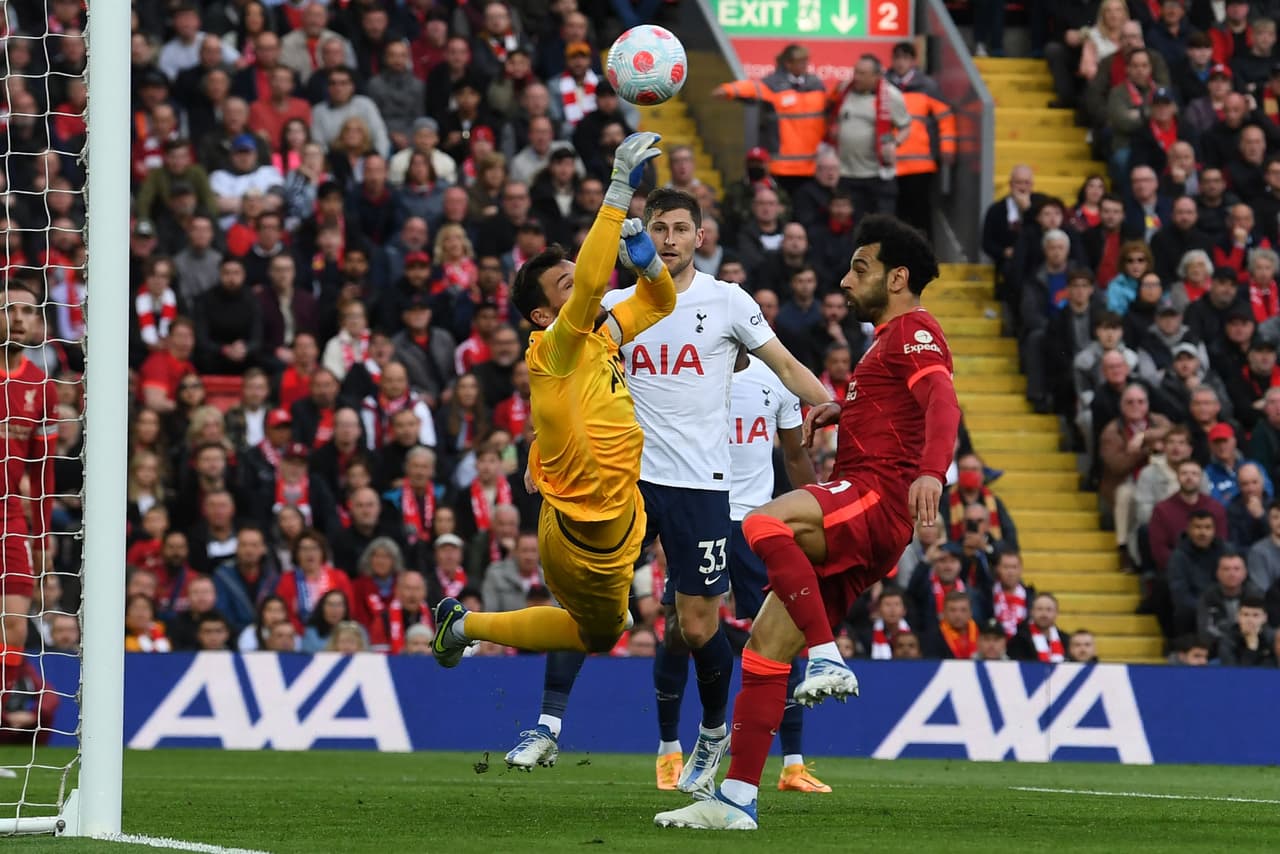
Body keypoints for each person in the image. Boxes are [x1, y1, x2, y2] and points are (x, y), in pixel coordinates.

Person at [502, 184, 830, 792]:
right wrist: (538, 450)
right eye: (660, 230)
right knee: (589, 605)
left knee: (698, 626)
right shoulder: (618, 306)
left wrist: (837, 403)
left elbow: (784, 365)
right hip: (624, 482)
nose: (671, 240)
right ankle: (547, 724)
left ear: (699, 236)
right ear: (644, 236)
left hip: (704, 485)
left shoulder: (728, 302)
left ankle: (710, 735)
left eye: (681, 229)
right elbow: (564, 385)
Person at [654, 214, 960, 830]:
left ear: (899, 278)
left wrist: (932, 471)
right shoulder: (886, 342)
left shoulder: (916, 331)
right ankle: (736, 799)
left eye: (861, 268)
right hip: (866, 507)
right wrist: (839, 413)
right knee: (765, 652)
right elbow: (894, 408)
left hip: (877, 497)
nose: (846, 281)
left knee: (763, 524)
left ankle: (825, 655)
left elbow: (942, 401)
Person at [431, 135, 677, 735]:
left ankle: (460, 627)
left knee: (601, 632)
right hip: (584, 533)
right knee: (601, 631)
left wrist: (644, 255)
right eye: (564, 287)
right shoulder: (554, 347)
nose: (584, 286)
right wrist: (618, 192)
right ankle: (463, 630)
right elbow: (594, 283)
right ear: (544, 316)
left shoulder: (602, 337)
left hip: (613, 514)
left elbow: (662, 300)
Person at [723, 344, 825, 792]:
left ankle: (794, 764)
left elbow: (795, 456)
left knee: (783, 632)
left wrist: (823, 507)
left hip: (755, 523)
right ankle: (671, 749)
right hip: (701, 514)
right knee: (678, 628)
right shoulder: (693, 373)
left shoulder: (775, 382)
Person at [1, 281, 57, 663]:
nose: (18, 318)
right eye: (9, 309)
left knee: (15, 624)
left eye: (27, 311)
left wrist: (42, 538)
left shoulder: (41, 385)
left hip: (9, 516)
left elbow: (43, 474)